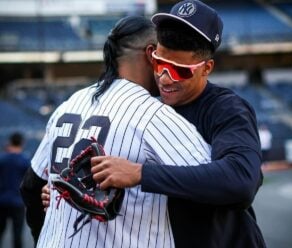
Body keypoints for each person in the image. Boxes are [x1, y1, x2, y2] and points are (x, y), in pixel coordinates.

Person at [20, 15, 211, 248]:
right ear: (151, 54)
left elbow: (31, 187)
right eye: (164, 55)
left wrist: (44, 236)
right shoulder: (152, 114)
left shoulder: (68, 104)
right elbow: (221, 185)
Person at [91, 1, 266, 247]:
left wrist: (140, 174)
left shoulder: (227, 109)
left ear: (206, 68)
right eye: (159, 63)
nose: (164, 78)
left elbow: (241, 182)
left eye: (180, 71)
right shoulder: (144, 103)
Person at [0, 132, 31, 248]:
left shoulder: (2, 159)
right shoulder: (25, 161)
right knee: (17, 235)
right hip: (18, 202)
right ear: (22, 143)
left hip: (1, 201)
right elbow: (29, 184)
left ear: (10, 142)